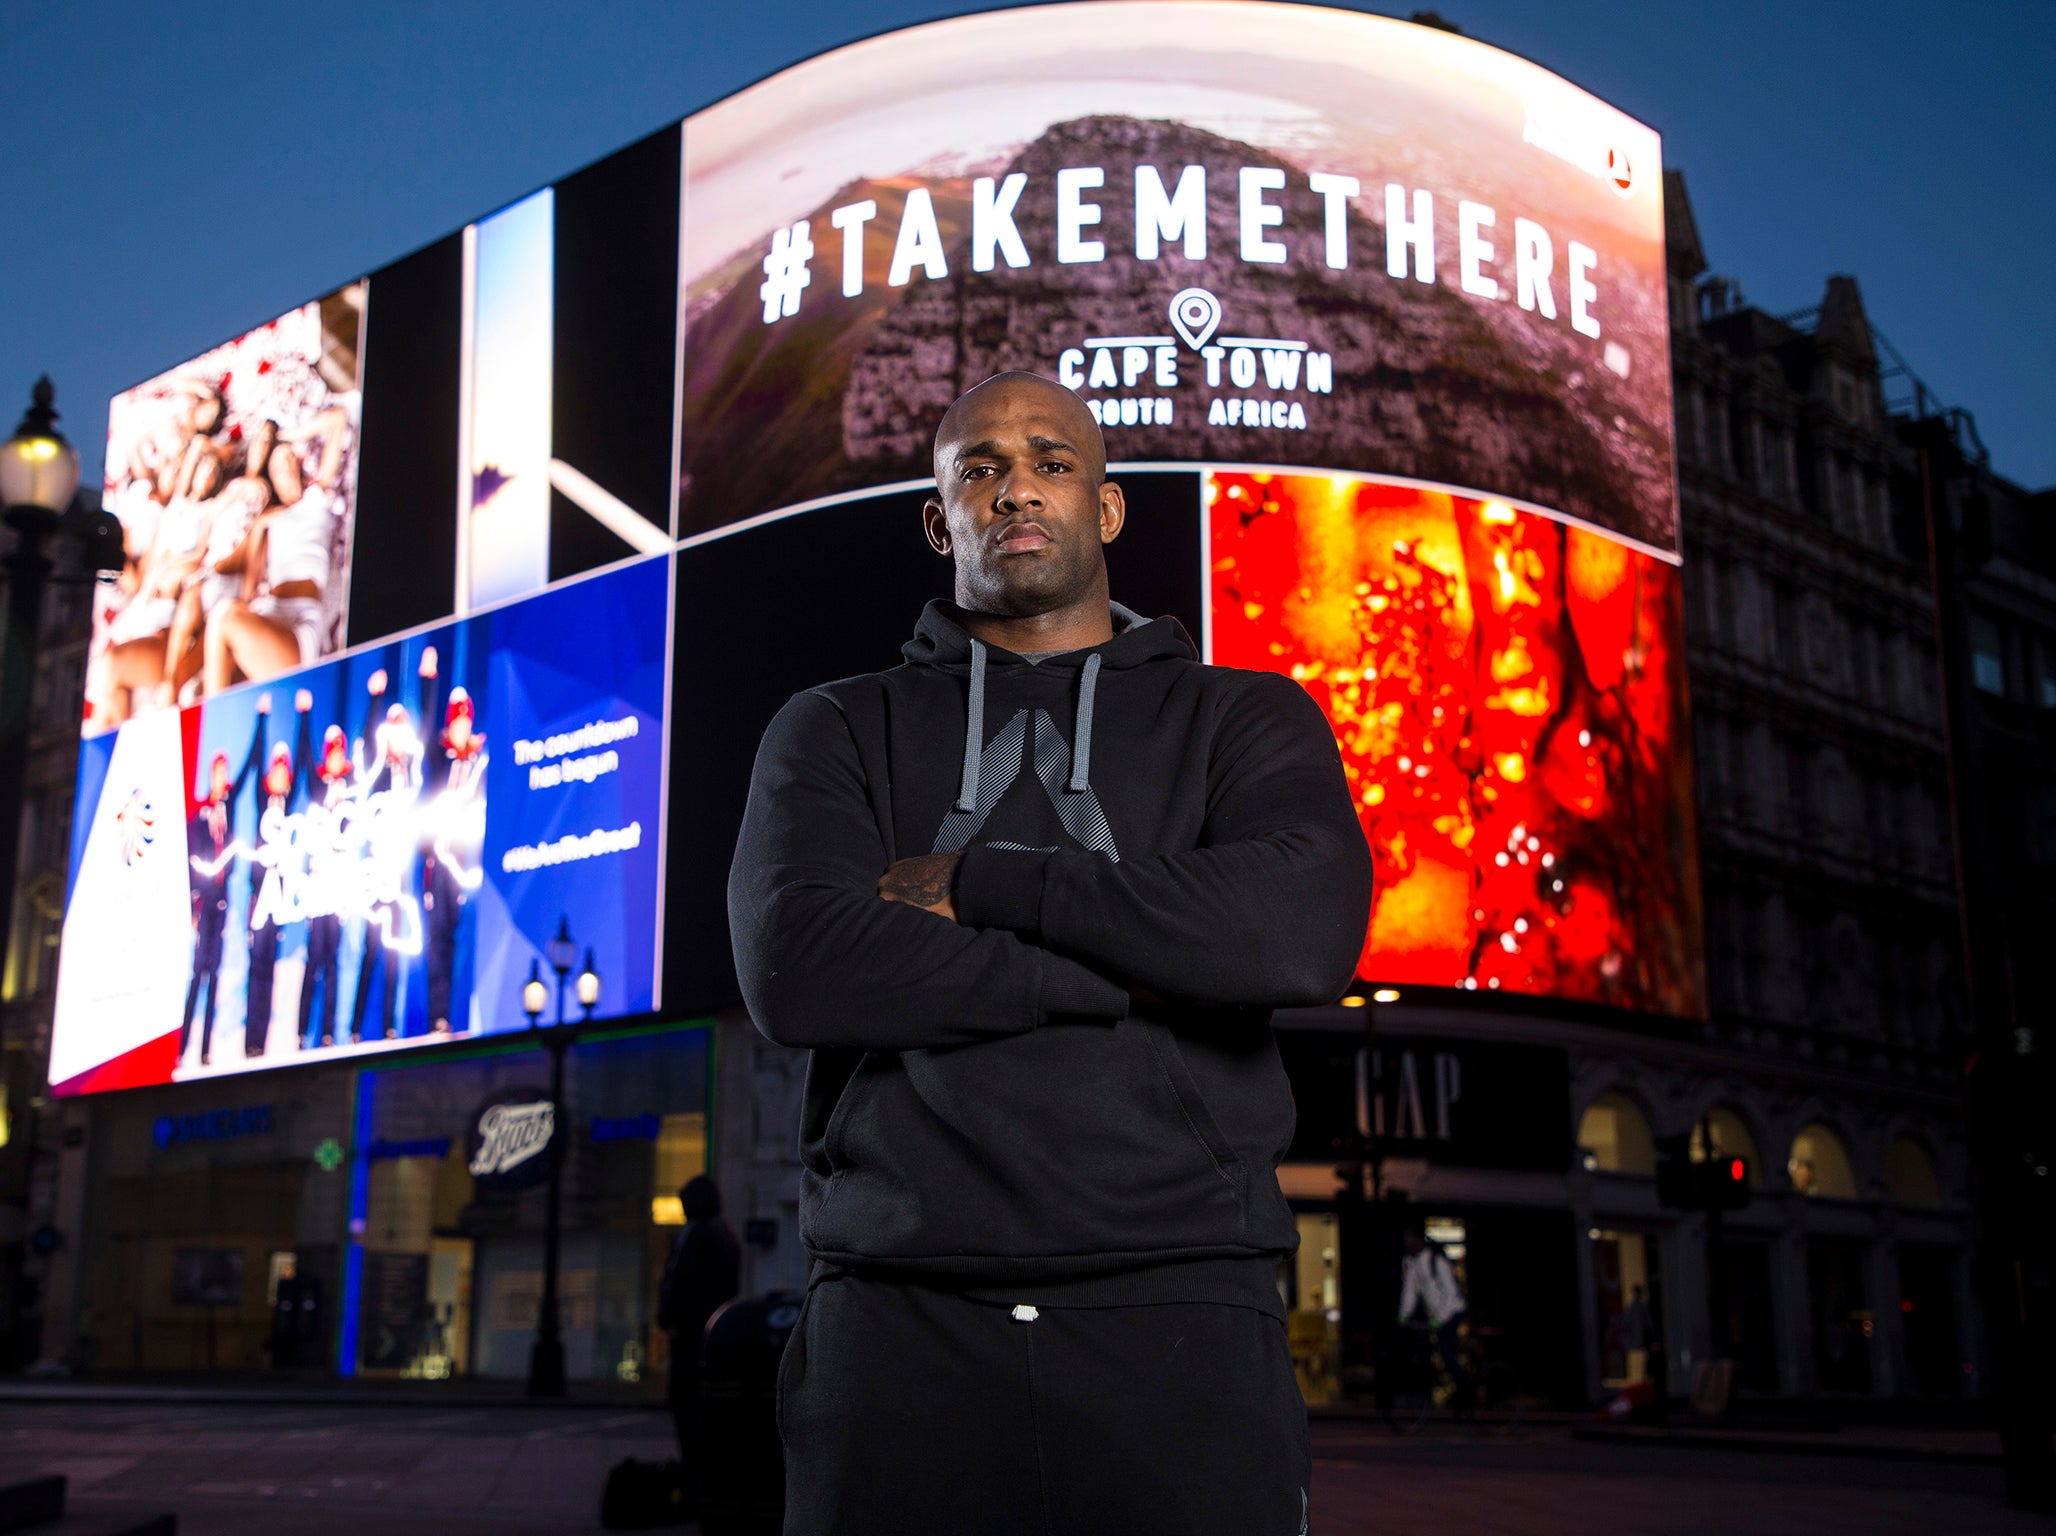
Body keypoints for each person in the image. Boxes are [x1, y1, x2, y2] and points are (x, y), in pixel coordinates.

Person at [729, 371, 1372, 1534]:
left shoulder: (1247, 715)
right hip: (896, 1324)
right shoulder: (830, 723)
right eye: (976, 467)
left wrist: (985, 885)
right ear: (940, 521)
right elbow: (798, 964)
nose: (1013, 487)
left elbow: (1301, 931)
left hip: (1183, 1313)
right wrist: (1148, 964)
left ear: (1107, 508)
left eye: (1051, 461)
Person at [656, 1176, 742, 1494]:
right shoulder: (724, 1234)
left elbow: (679, 1283)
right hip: (707, 1335)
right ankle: (702, 1474)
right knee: (701, 1407)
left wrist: (670, 1319)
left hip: (690, 1336)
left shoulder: (696, 1234)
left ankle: (694, 1475)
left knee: (685, 1404)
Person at [1398, 1225, 1470, 1409]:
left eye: (1410, 1240)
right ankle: (1426, 1393)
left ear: (1419, 1240)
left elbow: (1451, 1292)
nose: (1407, 1244)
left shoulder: (1436, 1260)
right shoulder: (1411, 1263)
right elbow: (1410, 1291)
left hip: (1452, 1311)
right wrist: (1403, 1315)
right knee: (1423, 1349)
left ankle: (1465, 1391)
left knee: (1447, 1352)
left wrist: (1441, 1318)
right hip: (1435, 1315)